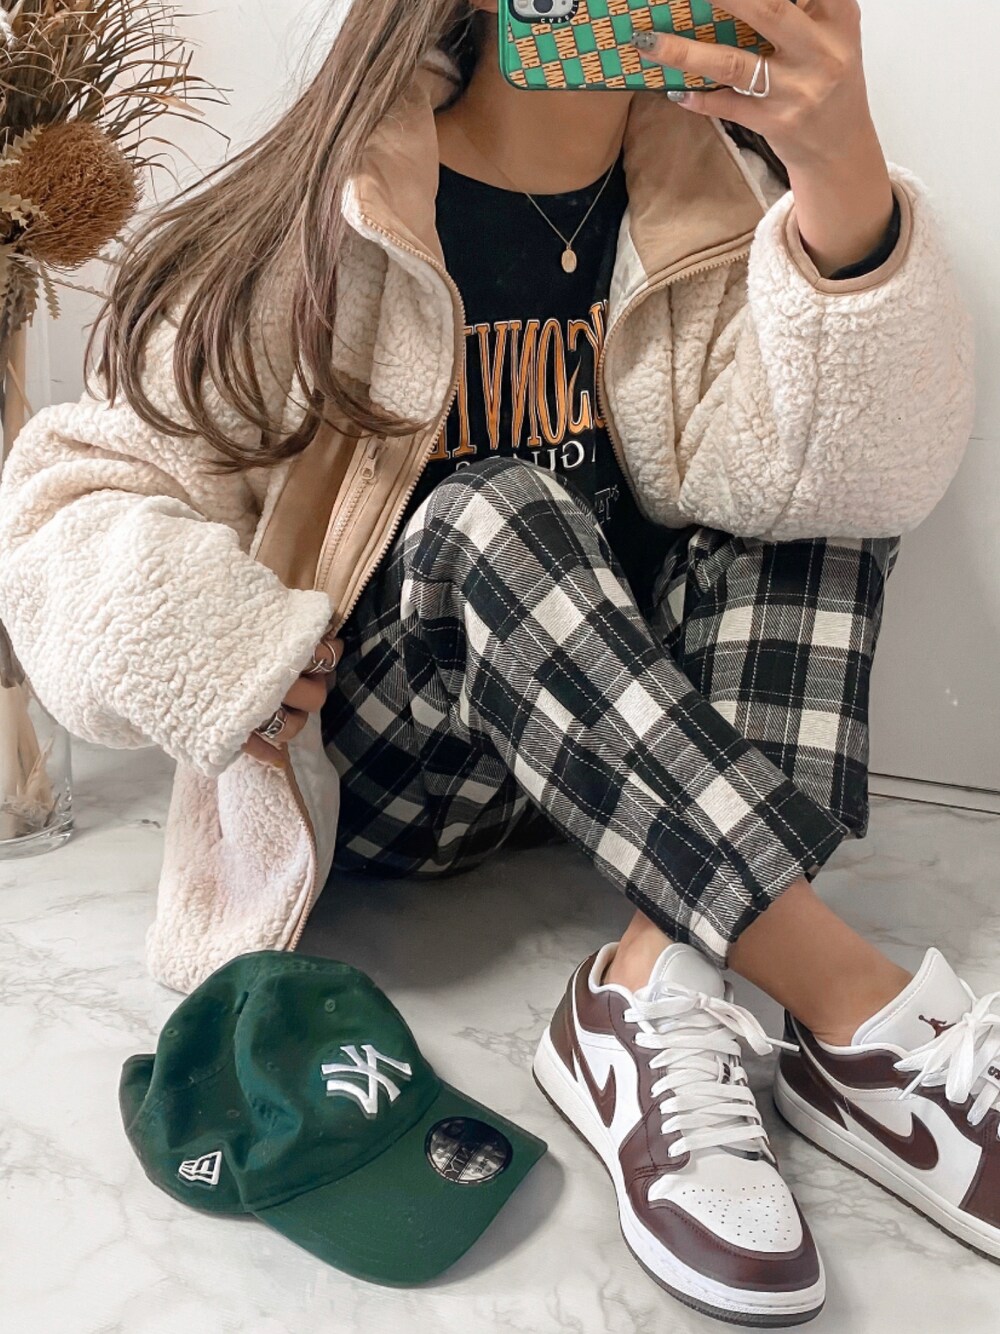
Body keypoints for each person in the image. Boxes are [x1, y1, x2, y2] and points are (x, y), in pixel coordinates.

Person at [0, 0, 987, 1324]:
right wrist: (224, 642)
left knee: (823, 481)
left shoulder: (723, 205)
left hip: (631, 796)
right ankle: (860, 1010)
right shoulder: (327, 214)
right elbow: (72, 496)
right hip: (399, 770)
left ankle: (653, 980)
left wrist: (842, 176)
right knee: (498, 509)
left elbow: (856, 466)